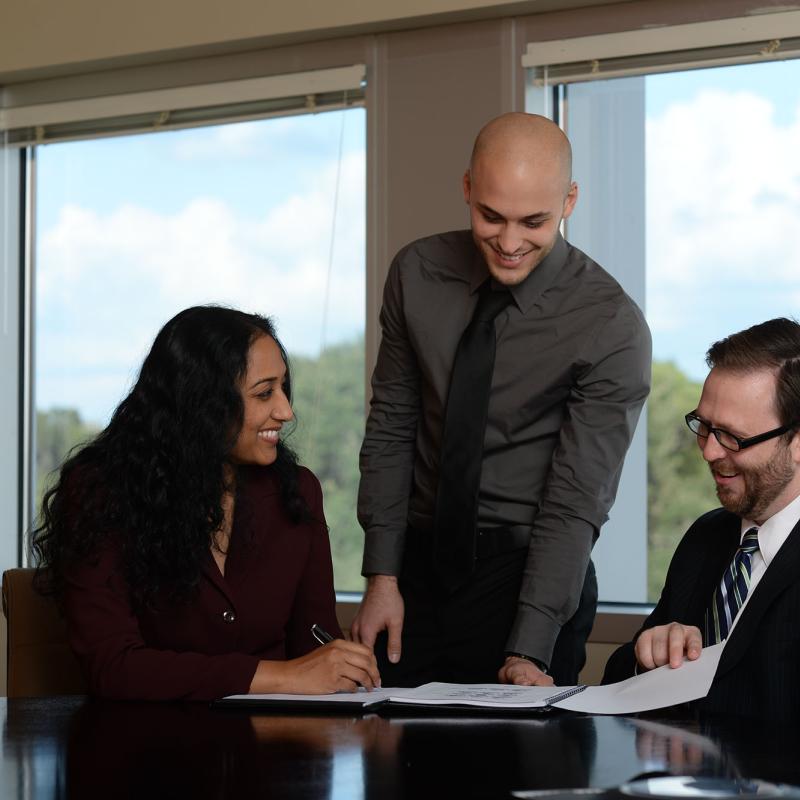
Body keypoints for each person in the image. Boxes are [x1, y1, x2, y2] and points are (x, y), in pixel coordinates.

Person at [352, 112, 651, 687]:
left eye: (533, 221)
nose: (510, 243)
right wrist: (381, 577)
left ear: (570, 201)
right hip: (414, 570)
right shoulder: (416, 273)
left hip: (527, 576)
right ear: (467, 188)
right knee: (393, 769)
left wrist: (531, 648)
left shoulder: (611, 325)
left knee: (512, 771)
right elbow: (391, 426)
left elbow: (576, 501)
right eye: (491, 216)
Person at [31, 305, 380, 701]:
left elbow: (313, 645)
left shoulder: (298, 492)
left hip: (275, 751)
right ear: (202, 402)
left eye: (283, 388)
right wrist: (282, 677)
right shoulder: (99, 490)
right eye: (264, 393)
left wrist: (341, 665)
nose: (285, 411)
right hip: (142, 750)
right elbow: (112, 667)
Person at [603, 318, 800, 721]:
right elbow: (618, 683)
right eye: (704, 426)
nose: (709, 452)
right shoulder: (706, 536)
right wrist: (649, 657)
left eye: (732, 436)